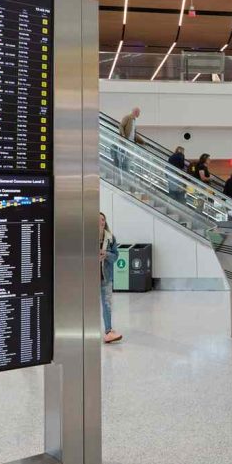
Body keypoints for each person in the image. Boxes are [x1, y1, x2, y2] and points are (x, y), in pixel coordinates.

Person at [98, 212, 122, 344]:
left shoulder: (111, 238)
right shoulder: (86, 236)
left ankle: (108, 332)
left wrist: (105, 254)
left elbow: (116, 257)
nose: (101, 222)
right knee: (87, 305)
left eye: (102, 220)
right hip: (88, 277)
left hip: (105, 277)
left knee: (107, 304)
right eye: (98, 219)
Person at [115, 107, 144, 182]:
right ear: (135, 112)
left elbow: (133, 133)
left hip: (130, 143)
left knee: (128, 160)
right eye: (138, 112)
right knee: (125, 161)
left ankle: (126, 176)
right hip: (125, 142)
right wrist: (123, 135)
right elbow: (121, 126)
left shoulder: (134, 120)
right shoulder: (128, 117)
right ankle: (124, 178)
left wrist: (142, 141)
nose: (139, 114)